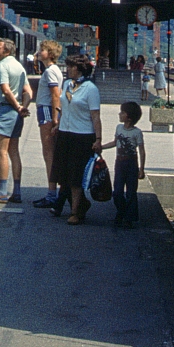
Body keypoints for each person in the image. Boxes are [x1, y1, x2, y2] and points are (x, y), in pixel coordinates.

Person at [50, 54, 102, 224]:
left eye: (71, 66)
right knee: (63, 174)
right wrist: (58, 125)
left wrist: (98, 139)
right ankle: (81, 205)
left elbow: (95, 116)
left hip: (82, 136)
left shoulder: (90, 89)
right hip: (65, 133)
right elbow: (64, 107)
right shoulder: (67, 84)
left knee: (76, 176)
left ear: (79, 69)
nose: (68, 69)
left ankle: (75, 212)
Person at [0, 38, 32, 204]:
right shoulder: (19, 66)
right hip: (16, 114)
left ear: (6, 51)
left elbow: (5, 89)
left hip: (4, 111)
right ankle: (16, 192)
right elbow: (28, 91)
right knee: (14, 152)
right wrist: (23, 107)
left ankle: (2, 191)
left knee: (1, 152)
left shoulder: (3, 65)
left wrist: (18, 107)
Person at [99, 101, 146, 228]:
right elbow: (115, 142)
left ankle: (129, 218)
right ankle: (122, 211)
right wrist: (102, 147)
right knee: (117, 192)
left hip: (131, 163)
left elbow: (141, 151)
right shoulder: (119, 128)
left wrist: (141, 169)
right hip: (119, 163)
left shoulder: (137, 132)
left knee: (131, 192)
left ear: (129, 117)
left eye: (122, 112)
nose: (119, 114)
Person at [31, 40, 64, 208]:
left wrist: (55, 117)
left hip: (46, 111)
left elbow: (55, 95)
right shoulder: (53, 70)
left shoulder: (50, 71)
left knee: (48, 152)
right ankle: (55, 192)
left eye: (42, 49)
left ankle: (52, 194)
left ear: (50, 54)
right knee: (51, 152)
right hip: (47, 110)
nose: (39, 52)